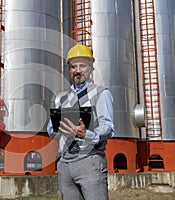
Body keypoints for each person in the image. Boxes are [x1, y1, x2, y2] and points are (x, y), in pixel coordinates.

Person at [47, 44, 114, 200]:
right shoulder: (62, 98)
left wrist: (86, 134)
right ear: (69, 70)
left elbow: (108, 127)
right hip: (65, 163)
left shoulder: (101, 93)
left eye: (82, 66)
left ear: (90, 68)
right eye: (73, 67)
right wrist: (60, 128)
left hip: (89, 161)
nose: (78, 70)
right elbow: (51, 129)